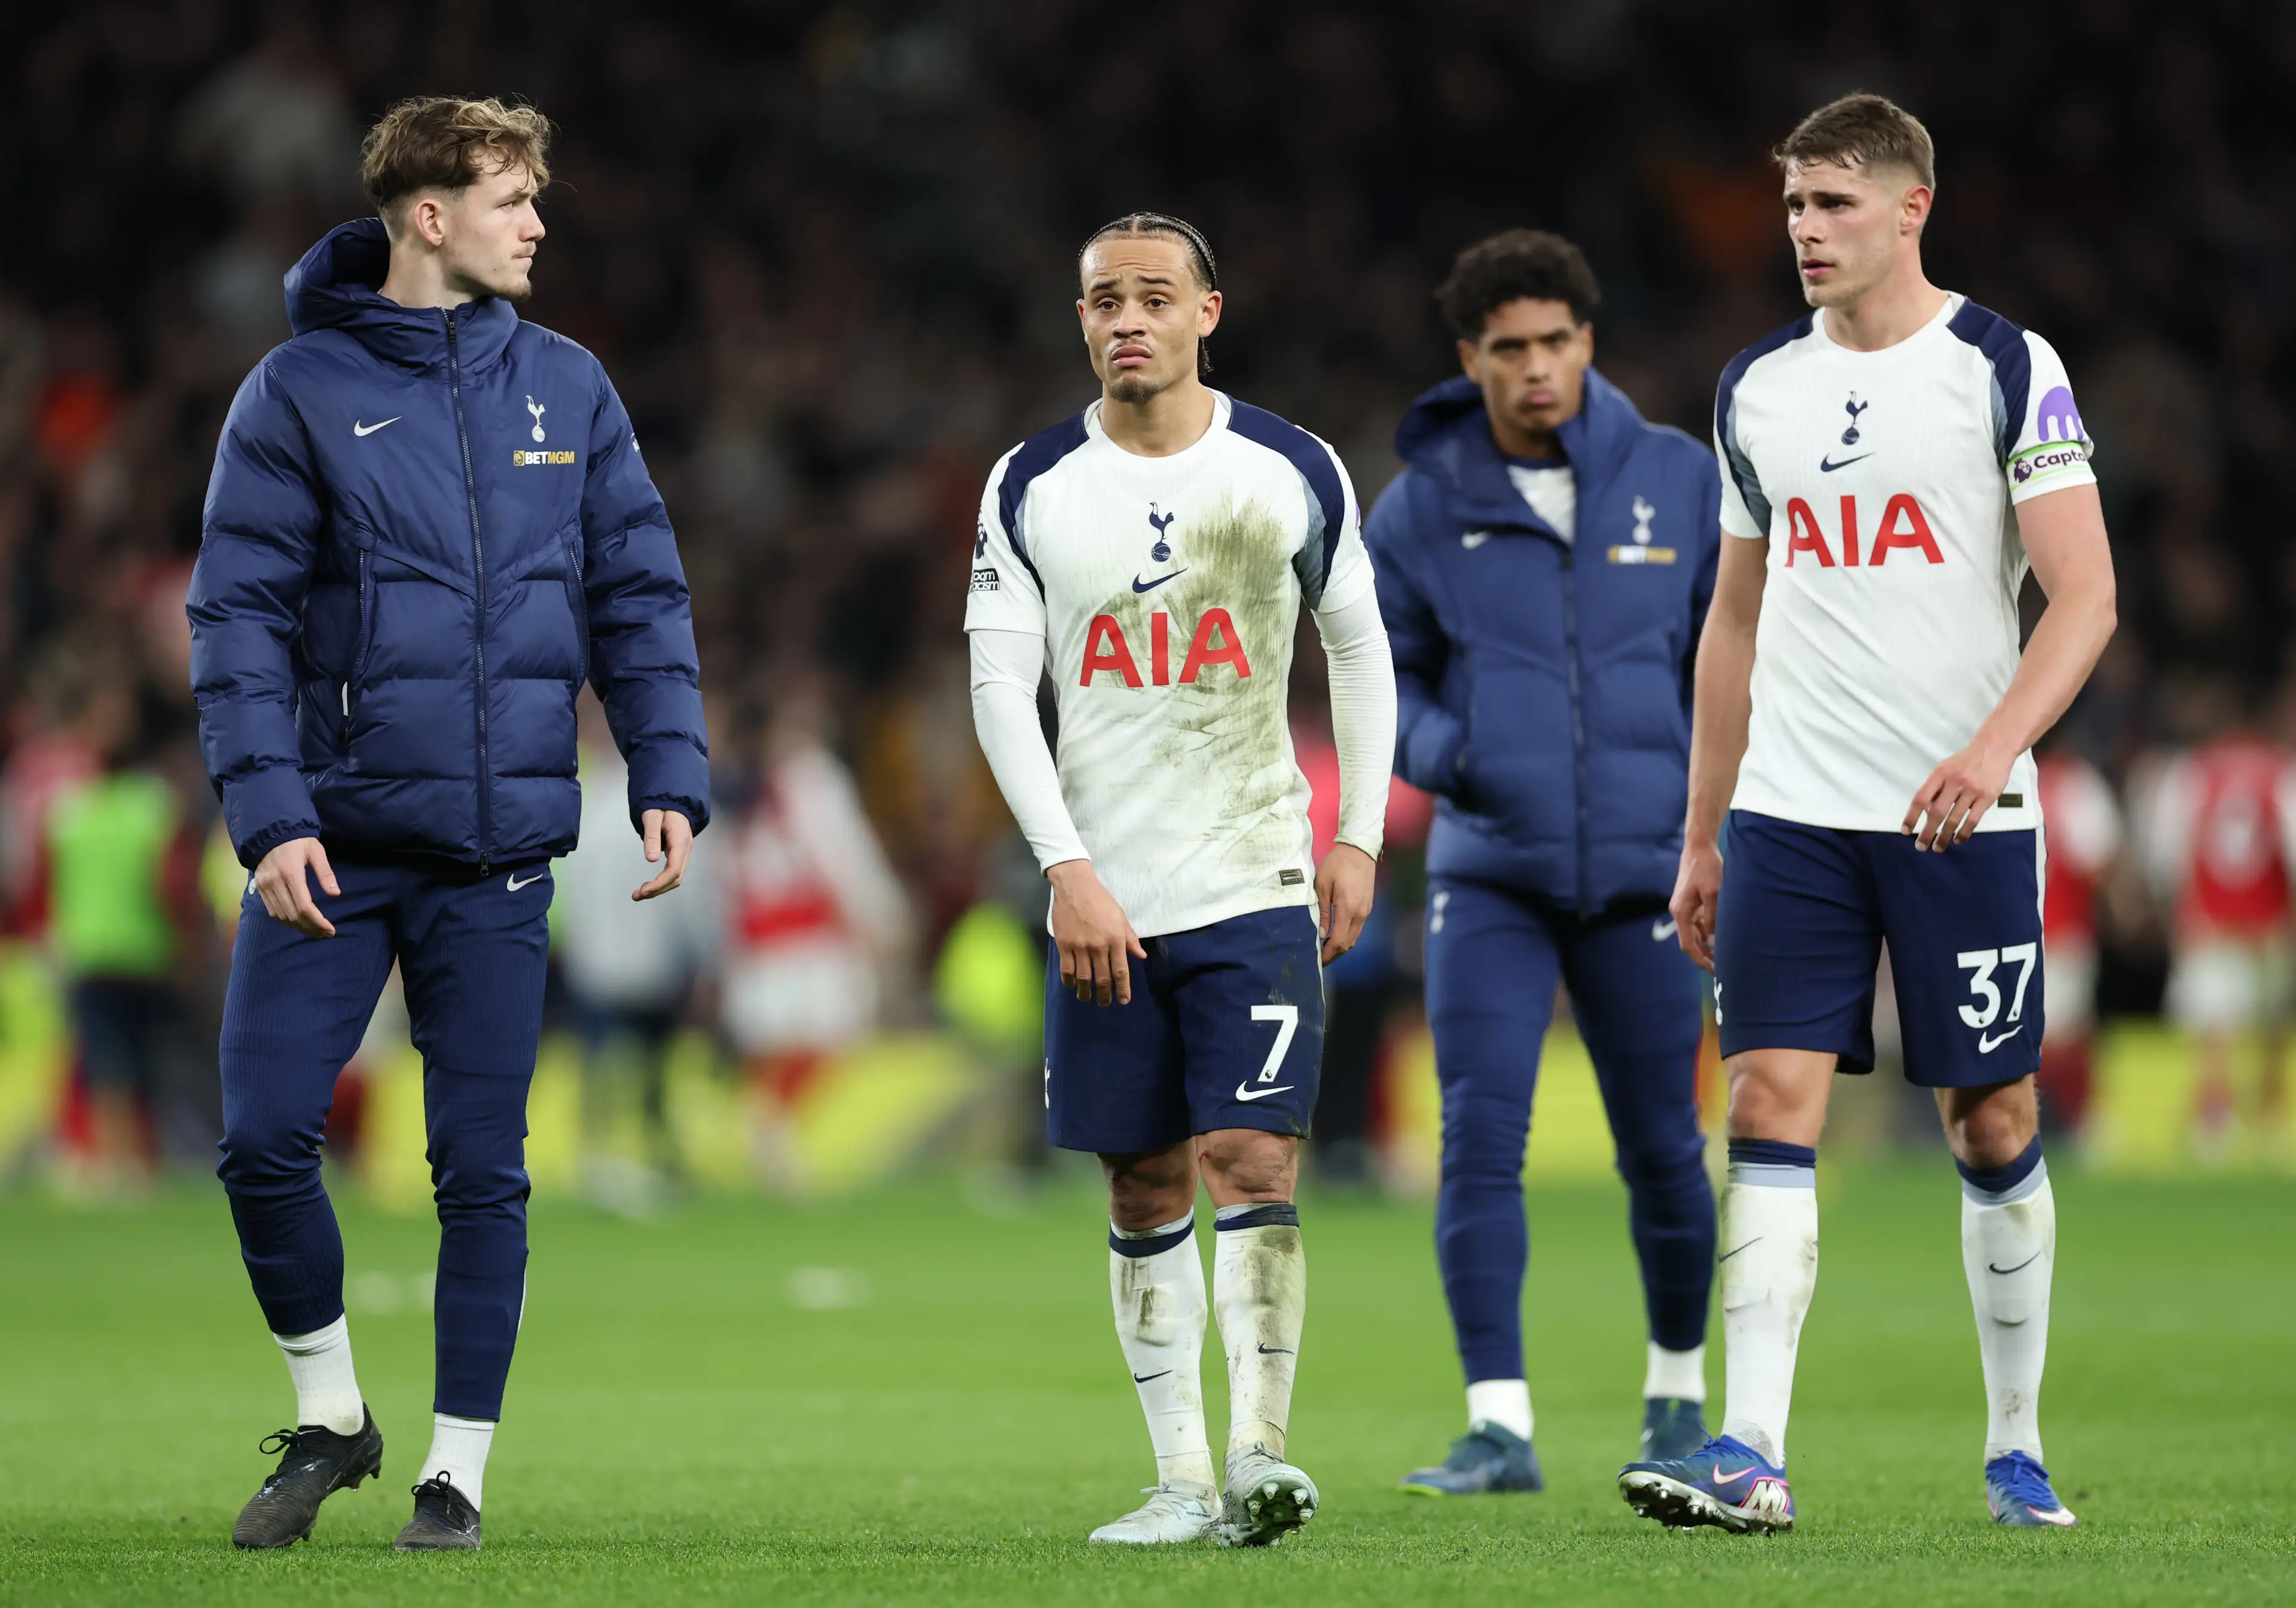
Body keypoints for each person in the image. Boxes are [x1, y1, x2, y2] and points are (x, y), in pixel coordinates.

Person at [187, 97, 709, 1552]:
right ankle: (333, 1416)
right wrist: (268, 814)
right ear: (430, 216)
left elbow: (639, 591)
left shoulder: (569, 386)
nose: (537, 223)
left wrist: (667, 768)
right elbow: (237, 618)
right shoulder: (295, 391)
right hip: (332, 845)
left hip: (496, 855)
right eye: (509, 198)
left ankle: (455, 1474)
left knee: (482, 1169)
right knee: (262, 1140)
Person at [1622, 93, 2117, 1534]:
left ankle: (2015, 1448)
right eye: (1793, 205)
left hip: (1966, 818)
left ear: (1913, 208)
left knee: (1990, 1115)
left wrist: (1989, 751)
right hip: (1791, 814)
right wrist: (1704, 830)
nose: (1804, 229)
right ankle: (1748, 1449)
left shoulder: (2002, 366)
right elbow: (1731, 621)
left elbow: (2085, 596)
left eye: (1833, 203)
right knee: (1766, 1100)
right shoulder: (1755, 388)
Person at [966, 213, 1395, 1548]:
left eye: (1156, 297)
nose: (1128, 320)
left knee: (1251, 1156)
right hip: (1106, 895)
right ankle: (1180, 1481)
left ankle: (1261, 1458)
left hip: (1255, 872)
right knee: (1142, 1183)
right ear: (1081, 319)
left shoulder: (1288, 466)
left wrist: (1358, 835)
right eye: (1106, 300)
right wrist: (1067, 871)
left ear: (1209, 311)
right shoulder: (1032, 483)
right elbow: (998, 687)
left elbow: (1360, 650)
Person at [1366, 229, 1723, 1494]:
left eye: (1555, 342)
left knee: (1667, 1149)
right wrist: (1454, 752)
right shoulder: (1418, 508)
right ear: (1470, 358)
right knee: (1478, 1141)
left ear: (1588, 341)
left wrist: (1715, 821)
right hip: (1492, 874)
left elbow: (1732, 659)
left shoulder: (1680, 479)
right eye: (1508, 348)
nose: (1535, 368)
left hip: (1647, 872)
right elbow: (1378, 680)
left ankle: (1677, 1404)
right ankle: (1499, 1426)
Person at [2132, 686, 2296, 1156]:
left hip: (2209, 920)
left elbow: (2166, 851)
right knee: (2270, 1021)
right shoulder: (2280, 771)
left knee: (2215, 1022)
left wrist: (2176, 912)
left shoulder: (2191, 773)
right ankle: (2270, 1118)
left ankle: (2215, 1121)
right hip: (2268, 921)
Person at [2033, 739, 2124, 1139]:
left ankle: (2069, 1123)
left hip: (2016, 937)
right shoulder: (2074, 784)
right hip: (2062, 932)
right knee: (2063, 1035)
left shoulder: (1995, 777)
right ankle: (2078, 1123)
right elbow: (2100, 859)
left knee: (2044, 1036)